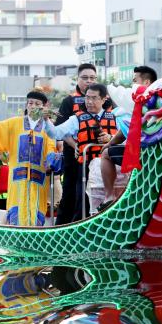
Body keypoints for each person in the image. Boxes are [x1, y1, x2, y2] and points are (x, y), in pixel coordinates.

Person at [0, 91, 56, 226]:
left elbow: (51, 146)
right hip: (17, 178)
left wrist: (50, 160)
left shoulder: (47, 127)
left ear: (44, 107)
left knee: (36, 213)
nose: (33, 106)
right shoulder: (14, 123)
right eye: (30, 103)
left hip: (39, 178)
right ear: (26, 105)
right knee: (16, 213)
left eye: (37, 104)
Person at [43, 83, 118, 222]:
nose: (89, 101)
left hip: (111, 169)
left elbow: (129, 138)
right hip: (85, 169)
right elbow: (55, 133)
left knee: (110, 203)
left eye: (94, 98)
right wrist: (46, 120)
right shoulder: (76, 119)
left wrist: (111, 138)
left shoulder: (116, 117)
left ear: (103, 99)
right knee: (82, 205)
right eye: (87, 97)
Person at [98, 66, 157, 208]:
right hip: (151, 153)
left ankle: (109, 197)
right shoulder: (158, 99)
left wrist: (109, 144)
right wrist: (110, 142)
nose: (132, 84)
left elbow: (129, 128)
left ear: (146, 82)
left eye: (135, 80)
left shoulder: (142, 100)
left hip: (145, 153)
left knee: (106, 154)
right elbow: (128, 128)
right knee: (108, 150)